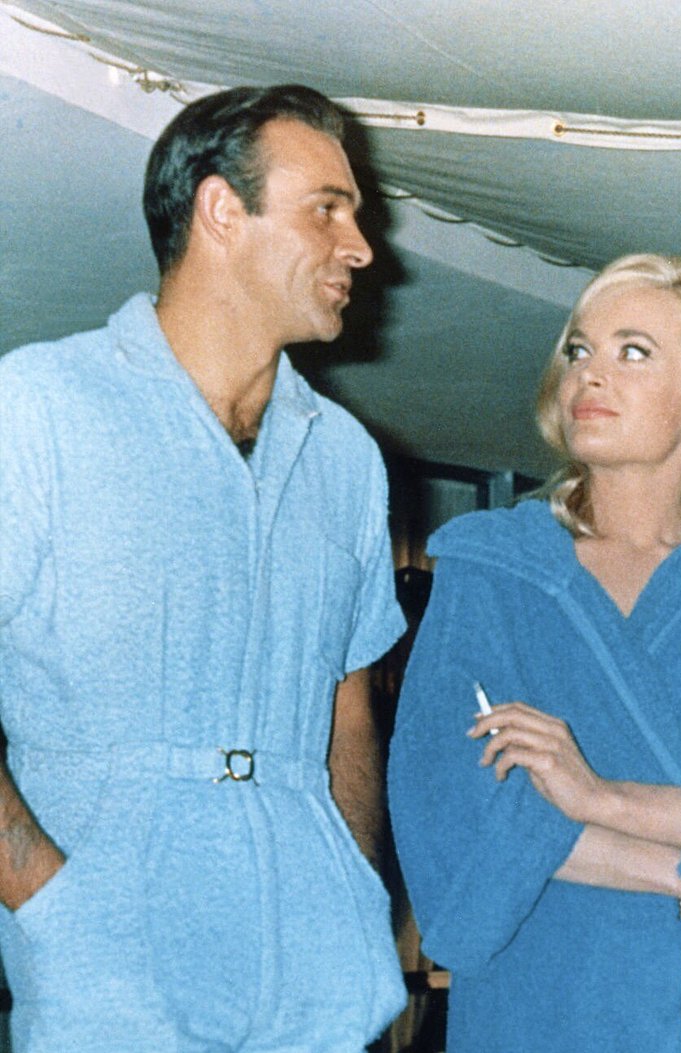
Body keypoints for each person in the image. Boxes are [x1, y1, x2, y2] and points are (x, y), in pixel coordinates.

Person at [0, 85, 407, 1052]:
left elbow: (348, 707)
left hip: (313, 979)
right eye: (328, 208)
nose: (361, 247)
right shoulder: (38, 407)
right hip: (108, 973)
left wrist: (346, 891)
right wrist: (54, 906)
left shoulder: (345, 456)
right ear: (223, 211)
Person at [388, 253, 681, 1051]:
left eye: (632, 351)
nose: (588, 375)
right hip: (539, 991)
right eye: (578, 349)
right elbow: (454, 822)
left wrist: (592, 793)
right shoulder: (492, 570)